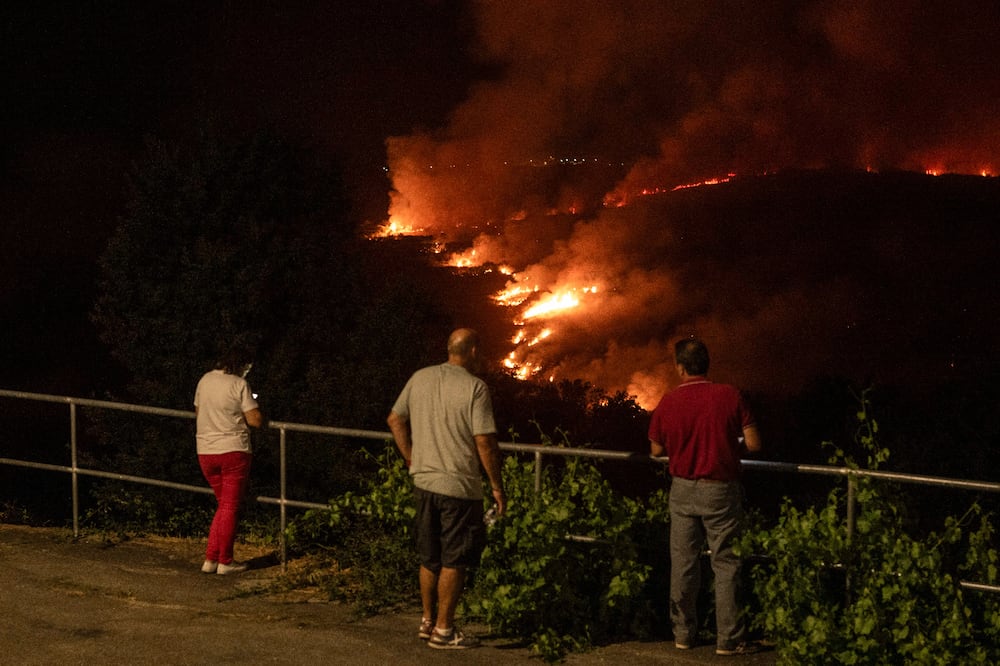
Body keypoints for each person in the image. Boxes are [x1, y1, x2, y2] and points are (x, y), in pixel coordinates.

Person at [387, 328, 506, 650]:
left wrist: (412, 459)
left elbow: (395, 419)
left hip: (424, 482)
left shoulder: (420, 377)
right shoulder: (476, 388)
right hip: (459, 487)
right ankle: (444, 630)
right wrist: (497, 487)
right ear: (472, 352)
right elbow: (484, 441)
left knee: (429, 557)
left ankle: (427, 621)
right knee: (455, 560)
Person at [647, 338, 763, 656]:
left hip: (682, 487)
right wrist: (728, 447)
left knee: (683, 564)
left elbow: (655, 449)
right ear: (707, 364)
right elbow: (754, 444)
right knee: (725, 564)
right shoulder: (730, 395)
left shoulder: (668, 402)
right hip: (721, 489)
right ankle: (729, 640)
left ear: (679, 367)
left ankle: (683, 634)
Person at [194, 348, 264, 575]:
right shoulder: (239, 384)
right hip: (233, 450)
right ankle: (225, 561)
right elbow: (255, 420)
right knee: (230, 507)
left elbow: (197, 410)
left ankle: (211, 559)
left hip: (205, 450)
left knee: (222, 505)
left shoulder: (205, 380)